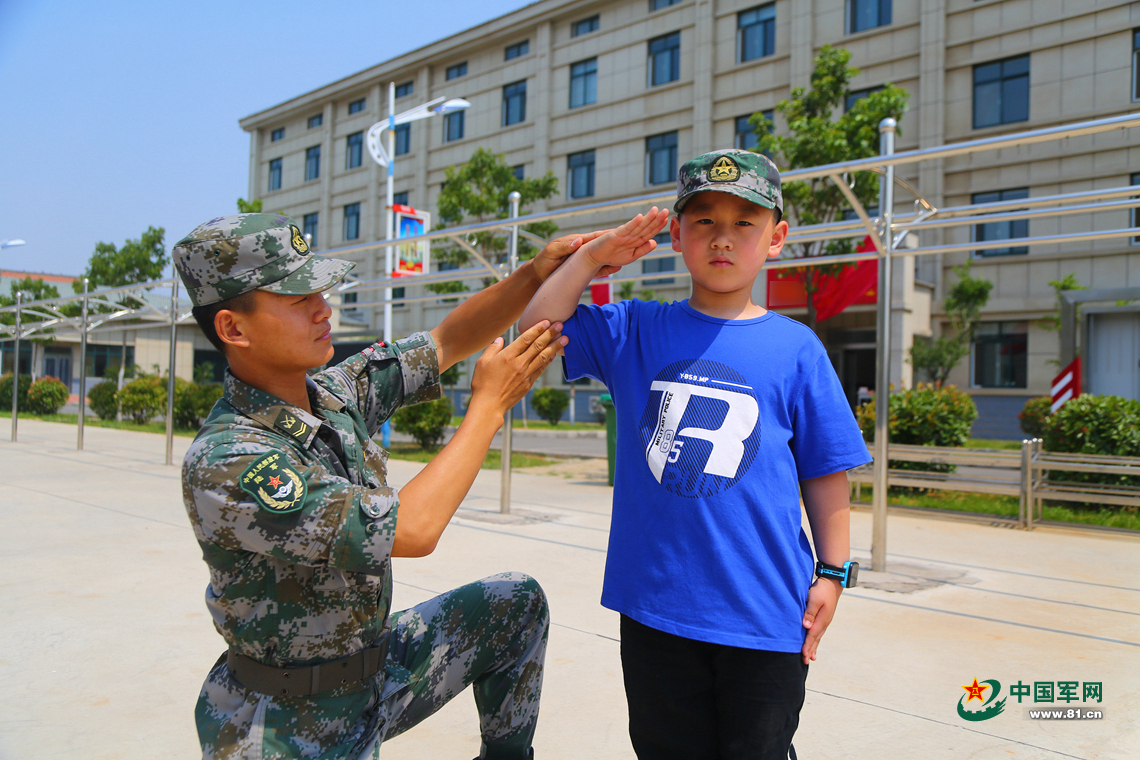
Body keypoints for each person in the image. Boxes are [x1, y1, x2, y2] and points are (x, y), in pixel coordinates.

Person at [174, 212, 609, 760]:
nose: (322, 308)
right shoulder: (231, 459)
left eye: (320, 291)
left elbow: (447, 342)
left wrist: (532, 276)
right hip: (288, 718)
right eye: (296, 299)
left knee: (513, 603)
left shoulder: (331, 395)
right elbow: (413, 529)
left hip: (376, 671)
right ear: (234, 329)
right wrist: (488, 407)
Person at [519, 150, 872, 760]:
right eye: (704, 221)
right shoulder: (632, 329)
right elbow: (533, 331)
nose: (723, 239)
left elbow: (824, 470)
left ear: (776, 239)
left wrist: (833, 573)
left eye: (745, 223)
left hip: (765, 609)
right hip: (657, 609)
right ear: (676, 235)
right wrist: (590, 257)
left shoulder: (798, 348)